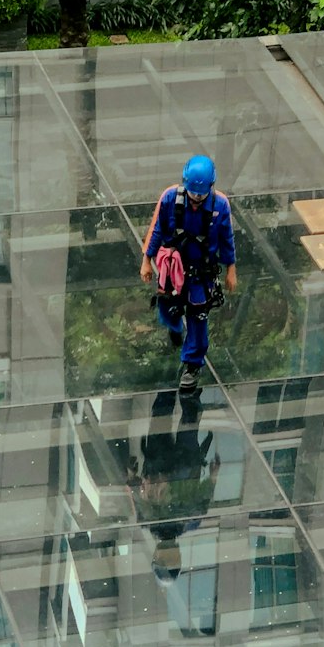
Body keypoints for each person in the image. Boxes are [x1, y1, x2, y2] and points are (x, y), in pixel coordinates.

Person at [140, 154, 237, 392]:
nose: (196, 199)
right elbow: (157, 229)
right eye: (193, 194)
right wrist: (147, 260)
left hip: (200, 273)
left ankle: (193, 364)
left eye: (200, 195)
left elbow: (227, 238)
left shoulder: (220, 205)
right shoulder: (170, 198)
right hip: (172, 269)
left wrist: (231, 268)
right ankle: (174, 328)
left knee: (198, 316)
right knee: (167, 308)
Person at [127, 389, 221, 581]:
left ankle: (178, 385)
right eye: (171, 559)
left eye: (167, 558)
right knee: (176, 418)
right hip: (173, 464)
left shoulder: (154, 521)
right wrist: (212, 477)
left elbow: (135, 491)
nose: (170, 555)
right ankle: (181, 385)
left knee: (177, 418)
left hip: (166, 464)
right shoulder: (153, 521)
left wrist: (132, 475)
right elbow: (135, 491)